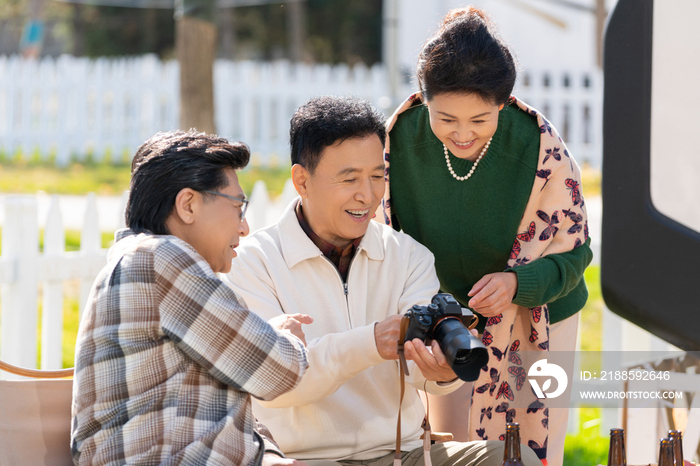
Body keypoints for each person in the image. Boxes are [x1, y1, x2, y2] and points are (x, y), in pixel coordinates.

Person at [225, 96, 540, 466]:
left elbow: (422, 370)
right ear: (301, 181)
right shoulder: (251, 263)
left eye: (377, 176)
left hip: (402, 456)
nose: (368, 194)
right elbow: (271, 383)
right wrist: (370, 343)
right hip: (301, 459)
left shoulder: (408, 256)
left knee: (512, 459)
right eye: (349, 178)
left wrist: (440, 374)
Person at [381, 7, 592, 466]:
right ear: (423, 98)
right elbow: (380, 240)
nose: (461, 134)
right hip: (443, 318)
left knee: (529, 448)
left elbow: (575, 256)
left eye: (479, 120)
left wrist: (518, 284)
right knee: (446, 444)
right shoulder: (398, 140)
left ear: (503, 103)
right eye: (445, 118)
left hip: (537, 318)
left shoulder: (539, 146)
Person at [71, 130, 309, 466]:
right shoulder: (160, 259)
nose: (244, 228)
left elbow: (232, 420)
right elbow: (279, 370)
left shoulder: (145, 263)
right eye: (238, 208)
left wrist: (269, 455)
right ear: (188, 204)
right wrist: (285, 338)